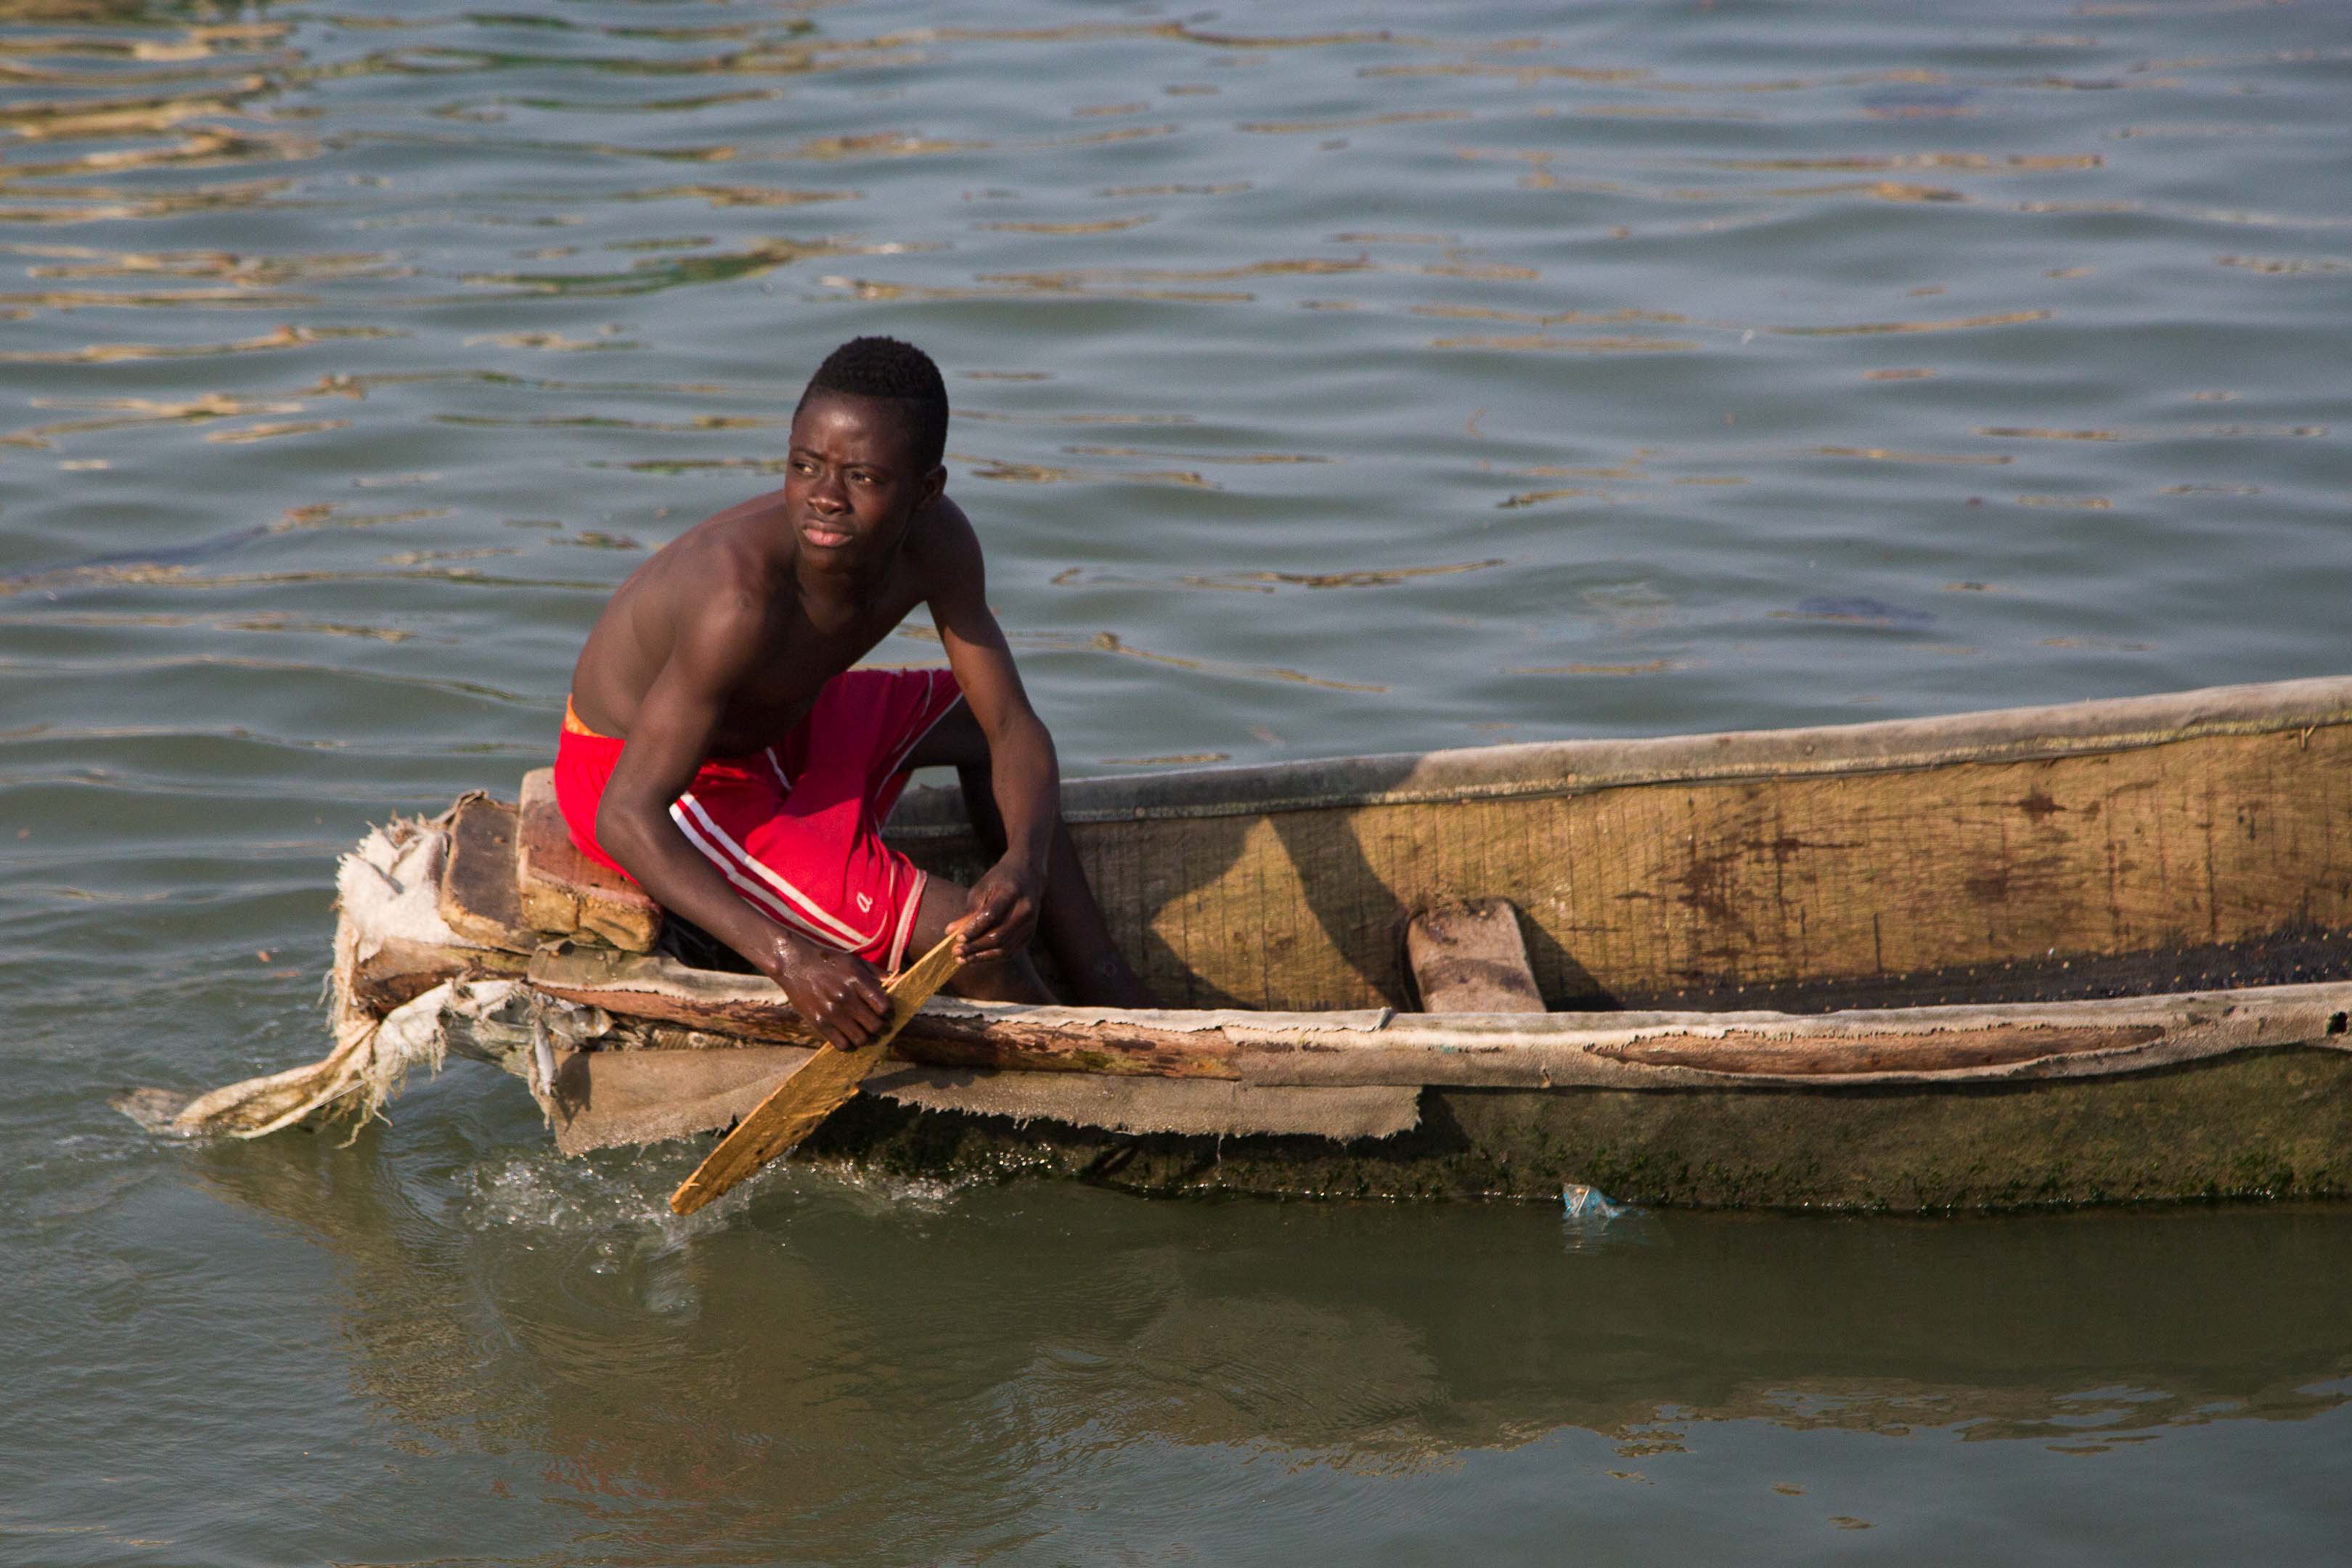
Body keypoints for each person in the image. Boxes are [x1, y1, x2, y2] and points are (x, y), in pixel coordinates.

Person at [553, 335, 1156, 1050]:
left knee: (971, 722)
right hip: (656, 782)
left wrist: (1024, 862)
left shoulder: (941, 544)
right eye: (804, 467)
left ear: (926, 491)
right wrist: (790, 961)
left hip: (773, 723)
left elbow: (1009, 725)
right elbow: (628, 814)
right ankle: (1089, 1085)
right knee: (965, 937)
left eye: (862, 478)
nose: (824, 500)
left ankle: (1103, 974)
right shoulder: (737, 602)